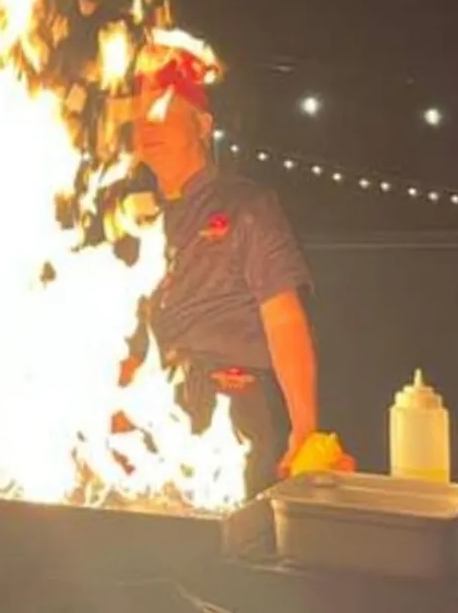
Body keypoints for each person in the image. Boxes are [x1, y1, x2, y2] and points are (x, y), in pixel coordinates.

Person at [129, 53, 320, 496]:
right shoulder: (126, 217)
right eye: (140, 120)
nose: (147, 129)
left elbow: (284, 318)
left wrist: (305, 429)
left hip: (235, 409)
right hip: (151, 411)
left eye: (162, 114)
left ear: (201, 125)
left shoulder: (247, 206)